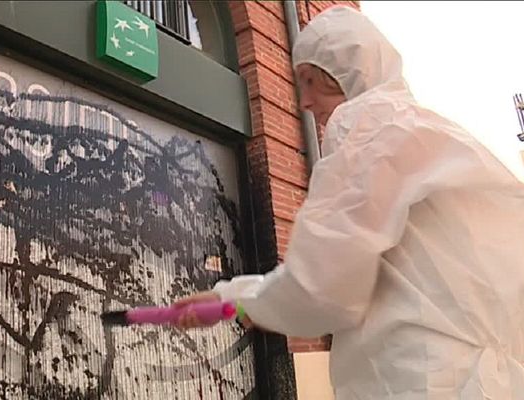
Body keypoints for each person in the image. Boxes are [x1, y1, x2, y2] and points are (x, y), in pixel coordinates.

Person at [175, 5, 524, 399]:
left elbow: (323, 285)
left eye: (310, 81)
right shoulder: (431, 132)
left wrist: (229, 299)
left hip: (416, 379)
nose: (303, 101)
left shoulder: (365, 127)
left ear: (345, 74)